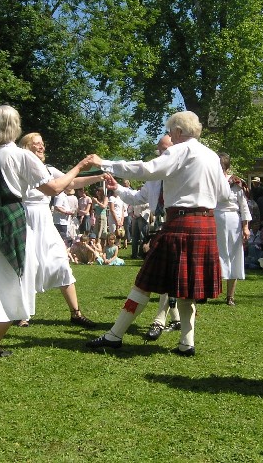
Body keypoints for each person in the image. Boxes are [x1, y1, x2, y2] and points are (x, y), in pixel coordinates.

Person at [86, 111, 230, 356]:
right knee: (187, 289)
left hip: (181, 224)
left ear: (177, 131)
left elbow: (147, 169)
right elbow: (224, 196)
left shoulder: (180, 149)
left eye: (171, 134)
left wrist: (104, 163)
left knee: (144, 282)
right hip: (204, 225)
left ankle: (114, 336)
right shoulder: (211, 156)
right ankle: (186, 343)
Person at [0, 107, 94, 357]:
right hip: (9, 224)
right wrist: (78, 167)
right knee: (16, 284)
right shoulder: (21, 155)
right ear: (15, 126)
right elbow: (54, 188)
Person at [4, 132, 101, 329]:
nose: (41, 147)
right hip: (26, 219)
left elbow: (71, 183)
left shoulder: (47, 169)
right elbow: (56, 188)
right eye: (36, 144)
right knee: (26, 266)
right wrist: (80, 166)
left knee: (61, 263)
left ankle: (76, 313)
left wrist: (99, 177)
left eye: (42, 143)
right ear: (26, 147)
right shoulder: (21, 168)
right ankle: (22, 314)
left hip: (45, 221)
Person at [112, 134, 181, 341]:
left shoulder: (182, 173)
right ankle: (176, 319)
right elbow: (136, 198)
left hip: (179, 226)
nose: (161, 154)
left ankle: (160, 320)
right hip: (158, 227)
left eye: (165, 150)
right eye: (159, 150)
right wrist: (116, 188)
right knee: (163, 275)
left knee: (167, 276)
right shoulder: (153, 180)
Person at [215, 153, 251, 306]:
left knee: (234, 255)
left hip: (233, 221)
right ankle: (205, 292)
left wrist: (245, 227)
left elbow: (243, 206)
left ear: (227, 167)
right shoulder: (210, 181)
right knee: (213, 255)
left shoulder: (237, 183)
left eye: (221, 167)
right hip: (214, 219)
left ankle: (230, 296)